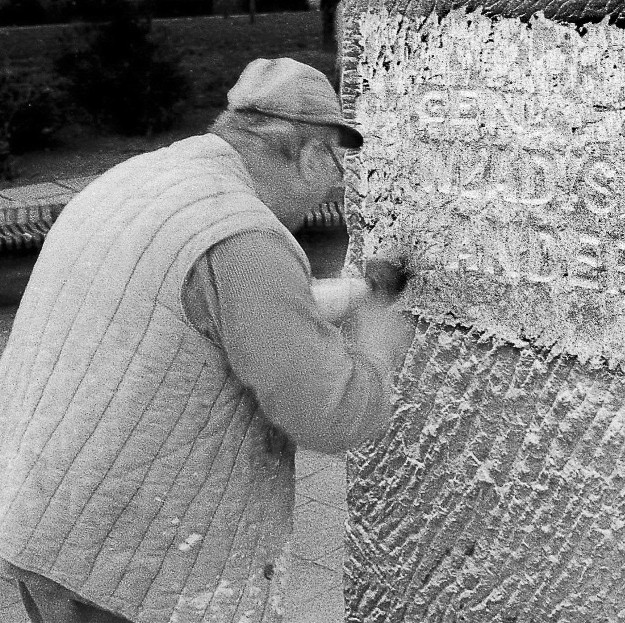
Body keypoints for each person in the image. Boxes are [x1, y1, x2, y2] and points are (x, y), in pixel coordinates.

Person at [0, 57, 412, 623]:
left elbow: (205, 310)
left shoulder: (148, 179)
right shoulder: (245, 238)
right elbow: (331, 415)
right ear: (308, 150)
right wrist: (379, 342)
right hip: (128, 567)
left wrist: (355, 292)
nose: (336, 183)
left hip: (40, 517)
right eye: (335, 164)